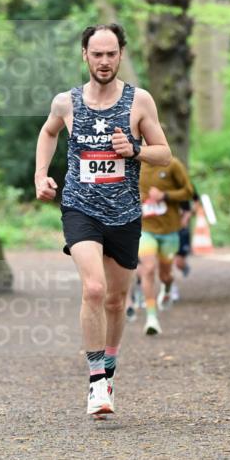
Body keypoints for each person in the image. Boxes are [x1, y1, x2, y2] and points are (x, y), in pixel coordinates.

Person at [34, 23, 171, 416]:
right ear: (85, 56)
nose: (105, 61)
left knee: (115, 300)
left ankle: (108, 370)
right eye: (97, 54)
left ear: (121, 55)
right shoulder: (67, 102)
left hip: (125, 212)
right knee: (93, 289)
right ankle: (96, 384)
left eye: (111, 54)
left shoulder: (139, 101)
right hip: (80, 209)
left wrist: (136, 149)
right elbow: (48, 132)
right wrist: (41, 174)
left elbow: (165, 153)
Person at [138, 156, 193, 335]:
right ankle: (151, 318)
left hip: (169, 231)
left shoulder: (173, 164)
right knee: (148, 269)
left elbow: (188, 192)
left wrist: (165, 196)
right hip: (145, 229)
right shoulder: (134, 164)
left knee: (165, 275)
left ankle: (168, 287)